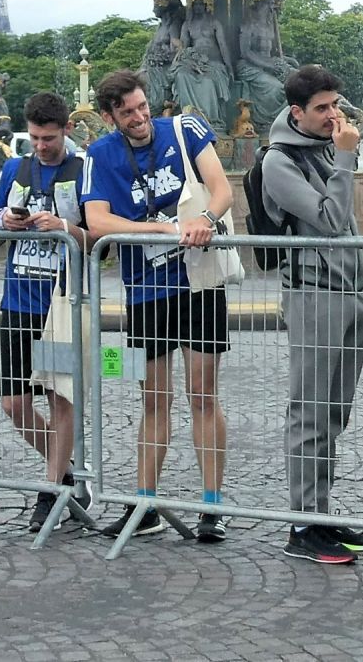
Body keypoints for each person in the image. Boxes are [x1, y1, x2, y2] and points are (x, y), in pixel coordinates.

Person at [81, 69, 235, 542]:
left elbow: (222, 188)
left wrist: (205, 218)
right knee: (153, 398)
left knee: (203, 393)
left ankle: (212, 506)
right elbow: (96, 220)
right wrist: (165, 229)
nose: (140, 117)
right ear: (109, 117)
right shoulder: (99, 154)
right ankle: (145, 502)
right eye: (127, 112)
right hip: (146, 289)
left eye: (143, 106)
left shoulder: (184, 129)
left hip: (200, 282)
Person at [260, 65, 363, 566]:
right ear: (297, 112)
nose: (335, 116)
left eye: (336, 105)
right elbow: (330, 220)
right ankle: (304, 524)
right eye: (323, 109)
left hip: (352, 292)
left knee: (335, 412)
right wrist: (347, 156)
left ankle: (322, 515)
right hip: (313, 295)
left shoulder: (326, 148)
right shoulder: (278, 161)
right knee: (309, 409)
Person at [0, 92, 90, 533]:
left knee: (59, 399)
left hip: (61, 306)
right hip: (17, 300)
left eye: (48, 138)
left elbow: (100, 237)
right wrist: (4, 224)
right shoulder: (15, 168)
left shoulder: (84, 170)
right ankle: (65, 472)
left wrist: (65, 227)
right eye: (34, 138)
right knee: (13, 402)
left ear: (66, 129)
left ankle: (50, 490)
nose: (41, 146)